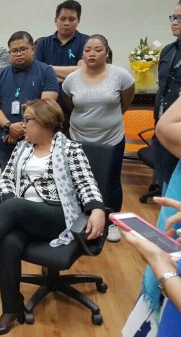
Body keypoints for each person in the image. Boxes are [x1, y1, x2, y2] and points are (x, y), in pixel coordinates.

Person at [0, 99, 105, 336]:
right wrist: (11, 204)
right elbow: (6, 179)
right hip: (24, 216)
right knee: (8, 241)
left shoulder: (70, 149)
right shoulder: (22, 148)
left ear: (45, 122)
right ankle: (11, 309)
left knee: (15, 207)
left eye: (27, 120)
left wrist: (97, 209)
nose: (22, 125)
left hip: (57, 215)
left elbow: (86, 183)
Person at [62, 34, 135, 242]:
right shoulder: (72, 79)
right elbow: (70, 104)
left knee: (111, 182)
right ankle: (82, 219)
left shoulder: (121, 76)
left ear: (107, 52)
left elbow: (126, 102)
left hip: (111, 139)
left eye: (97, 50)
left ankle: (112, 223)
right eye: (87, 50)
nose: (91, 54)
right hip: (79, 138)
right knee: (80, 180)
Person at [0, 31, 59, 170]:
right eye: (14, 51)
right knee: (8, 180)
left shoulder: (46, 71)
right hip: (6, 139)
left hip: (38, 140)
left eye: (23, 49)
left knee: (35, 179)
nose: (18, 54)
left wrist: (21, 129)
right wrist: (9, 127)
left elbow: (46, 106)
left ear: (33, 49)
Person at [152, 0, 181, 191]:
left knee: (180, 187)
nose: (175, 22)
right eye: (173, 17)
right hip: (161, 129)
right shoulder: (167, 50)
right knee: (166, 183)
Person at [34, 0, 89, 134]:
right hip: (48, 107)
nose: (66, 23)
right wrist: (70, 73)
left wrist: (49, 69)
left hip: (77, 107)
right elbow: (37, 73)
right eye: (62, 19)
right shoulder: (43, 44)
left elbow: (82, 72)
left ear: (78, 21)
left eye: (72, 19)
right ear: (55, 20)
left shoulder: (86, 42)